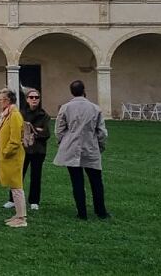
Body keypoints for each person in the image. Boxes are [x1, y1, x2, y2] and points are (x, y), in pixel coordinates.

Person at [55, 80, 110, 220]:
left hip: (71, 147)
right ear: (84, 90)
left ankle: (82, 212)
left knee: (77, 181)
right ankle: (101, 211)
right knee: (96, 181)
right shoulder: (95, 108)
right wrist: (100, 146)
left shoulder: (65, 108)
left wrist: (63, 142)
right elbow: (102, 132)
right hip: (90, 146)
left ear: (71, 92)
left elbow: (59, 130)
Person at [0, 88, 27, 228]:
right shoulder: (7, 114)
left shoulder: (14, 115)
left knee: (17, 187)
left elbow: (15, 139)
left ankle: (21, 218)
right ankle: (18, 215)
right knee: (14, 187)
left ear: (9, 100)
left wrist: (5, 152)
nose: (0, 102)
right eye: (0, 99)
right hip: (8, 156)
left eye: (2, 100)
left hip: (13, 157)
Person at [15, 87, 51, 210]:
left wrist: (31, 130)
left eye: (37, 97)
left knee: (36, 176)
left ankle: (34, 201)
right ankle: (13, 199)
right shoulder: (21, 113)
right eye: (31, 97)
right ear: (27, 99)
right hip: (23, 149)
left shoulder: (44, 115)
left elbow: (46, 133)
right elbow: (18, 130)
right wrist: (36, 130)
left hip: (38, 150)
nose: (34, 99)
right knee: (18, 175)